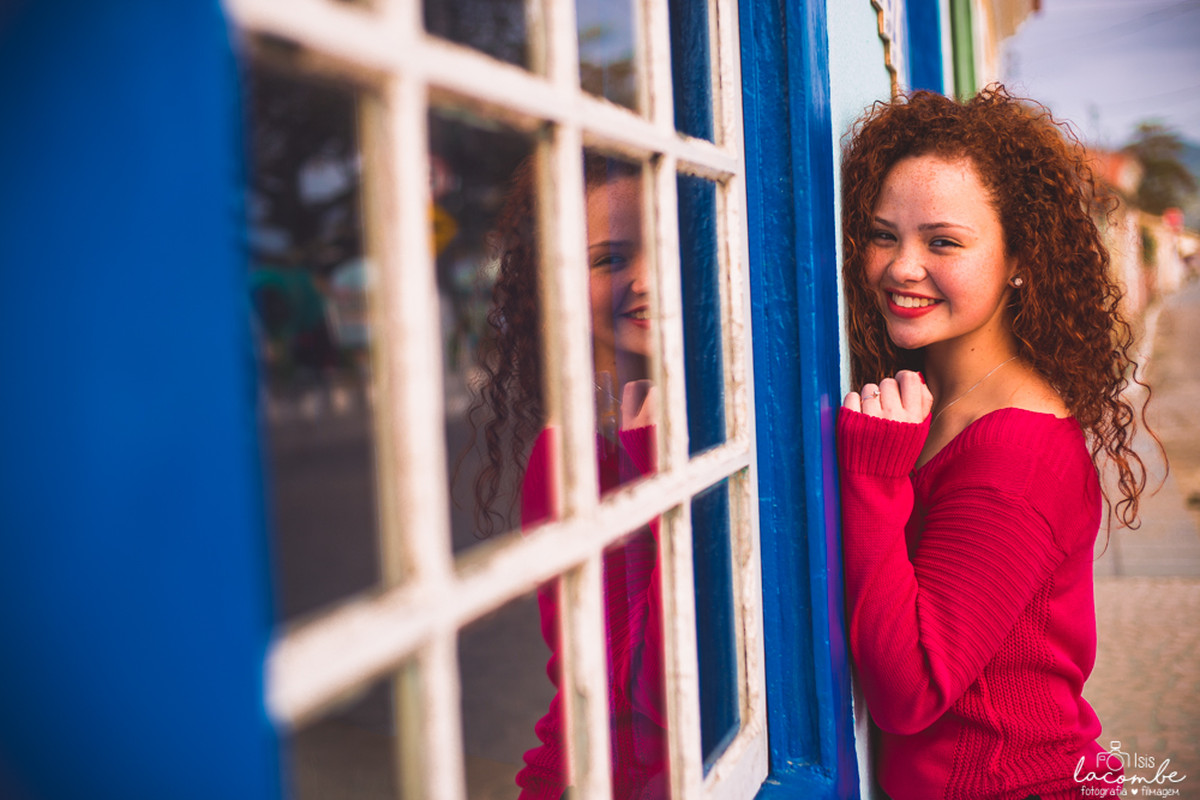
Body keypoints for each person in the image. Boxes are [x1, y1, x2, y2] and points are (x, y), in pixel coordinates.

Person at [837, 86, 1156, 800]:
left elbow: (909, 691)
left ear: (1019, 258)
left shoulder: (1016, 451)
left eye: (942, 241)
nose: (900, 266)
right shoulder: (926, 392)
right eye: (884, 234)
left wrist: (872, 478)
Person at [470, 154, 667, 799]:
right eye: (610, 259)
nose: (647, 278)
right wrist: (652, 471)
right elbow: (649, 681)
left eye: (664, 242)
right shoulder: (569, 455)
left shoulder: (694, 408)